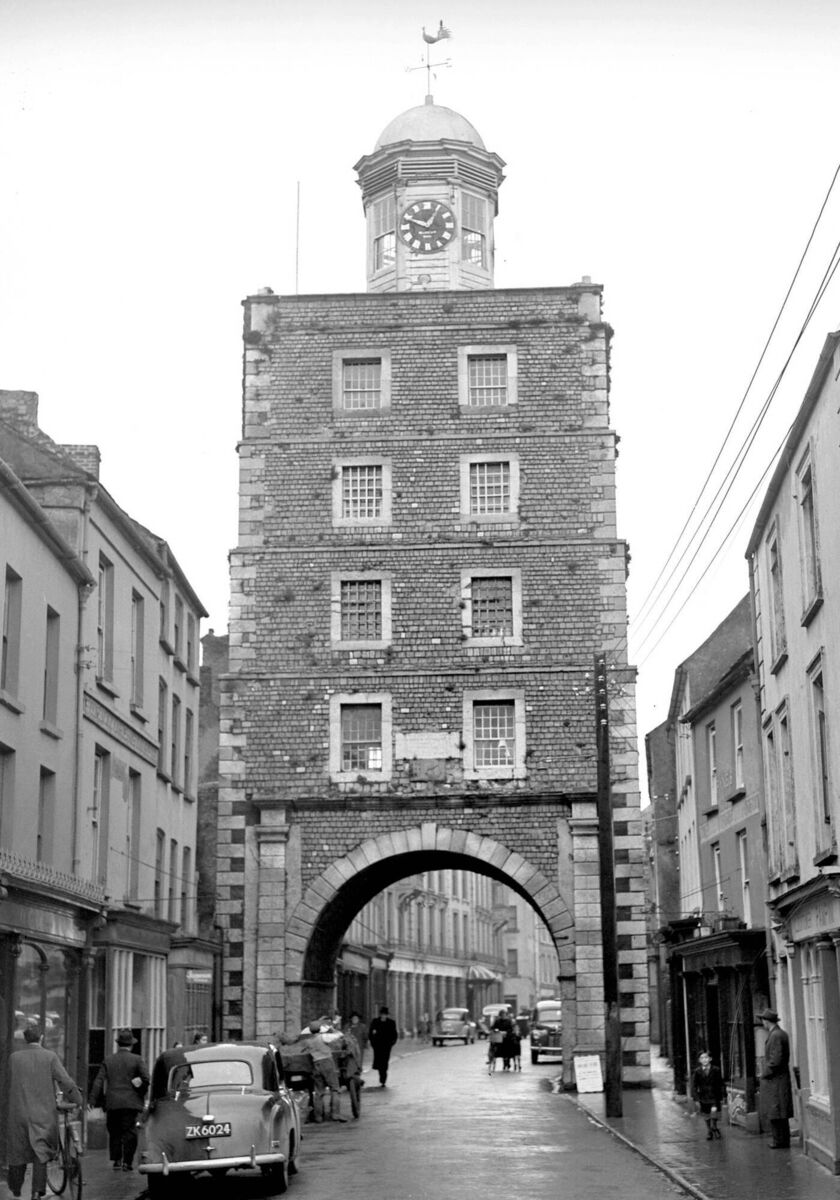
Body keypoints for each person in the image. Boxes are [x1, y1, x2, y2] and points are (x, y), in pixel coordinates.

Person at [7, 1026, 82, 1200]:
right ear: (41, 1038)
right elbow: (65, 1081)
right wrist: (78, 1100)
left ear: (25, 1040)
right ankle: (36, 1192)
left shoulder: (14, 1058)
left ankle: (15, 1188)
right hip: (43, 1114)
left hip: (18, 1114)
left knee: (17, 1152)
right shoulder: (50, 1057)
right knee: (41, 1153)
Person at [88, 1028, 150, 1171]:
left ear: (118, 1044)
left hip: (113, 1102)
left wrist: (92, 1099)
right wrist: (140, 1089)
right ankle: (127, 1162)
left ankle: (117, 1159)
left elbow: (99, 1080)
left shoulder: (108, 1060)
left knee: (114, 1130)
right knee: (129, 1131)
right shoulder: (137, 1059)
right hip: (131, 1101)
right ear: (131, 1045)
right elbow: (146, 1078)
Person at [759, 1008, 794, 1148]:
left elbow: (776, 1059)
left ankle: (779, 1140)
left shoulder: (776, 1036)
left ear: (766, 1021)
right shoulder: (779, 1034)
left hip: (776, 1080)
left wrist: (765, 1072)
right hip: (778, 1079)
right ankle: (782, 1140)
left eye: (763, 1020)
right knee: (779, 1111)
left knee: (776, 1111)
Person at [302, 1021, 347, 1122]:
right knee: (335, 1088)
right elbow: (339, 1035)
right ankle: (335, 1114)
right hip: (327, 1063)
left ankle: (318, 1117)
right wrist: (333, 1029)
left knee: (318, 1092)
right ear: (319, 1029)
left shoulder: (308, 1041)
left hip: (316, 1064)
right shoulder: (323, 1037)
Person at [691, 1050, 725, 1139]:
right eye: (702, 1058)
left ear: (710, 1059)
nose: (704, 1060)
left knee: (714, 1111)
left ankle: (714, 1126)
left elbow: (720, 1083)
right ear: (699, 1060)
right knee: (706, 1114)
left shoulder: (716, 1070)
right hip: (703, 1095)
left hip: (714, 1095)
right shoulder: (697, 1071)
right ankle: (709, 1130)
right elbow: (694, 1085)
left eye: (706, 1057)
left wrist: (723, 1095)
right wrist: (696, 1098)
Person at [369, 1005, 398, 1087]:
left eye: (385, 1014)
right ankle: (381, 1074)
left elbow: (394, 1034)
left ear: (387, 1015)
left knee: (384, 1061)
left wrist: (391, 1043)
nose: (383, 1016)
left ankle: (383, 1077)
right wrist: (372, 1043)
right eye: (382, 1014)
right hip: (377, 1046)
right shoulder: (375, 1022)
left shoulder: (391, 1023)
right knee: (378, 1061)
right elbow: (371, 1033)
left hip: (386, 1046)